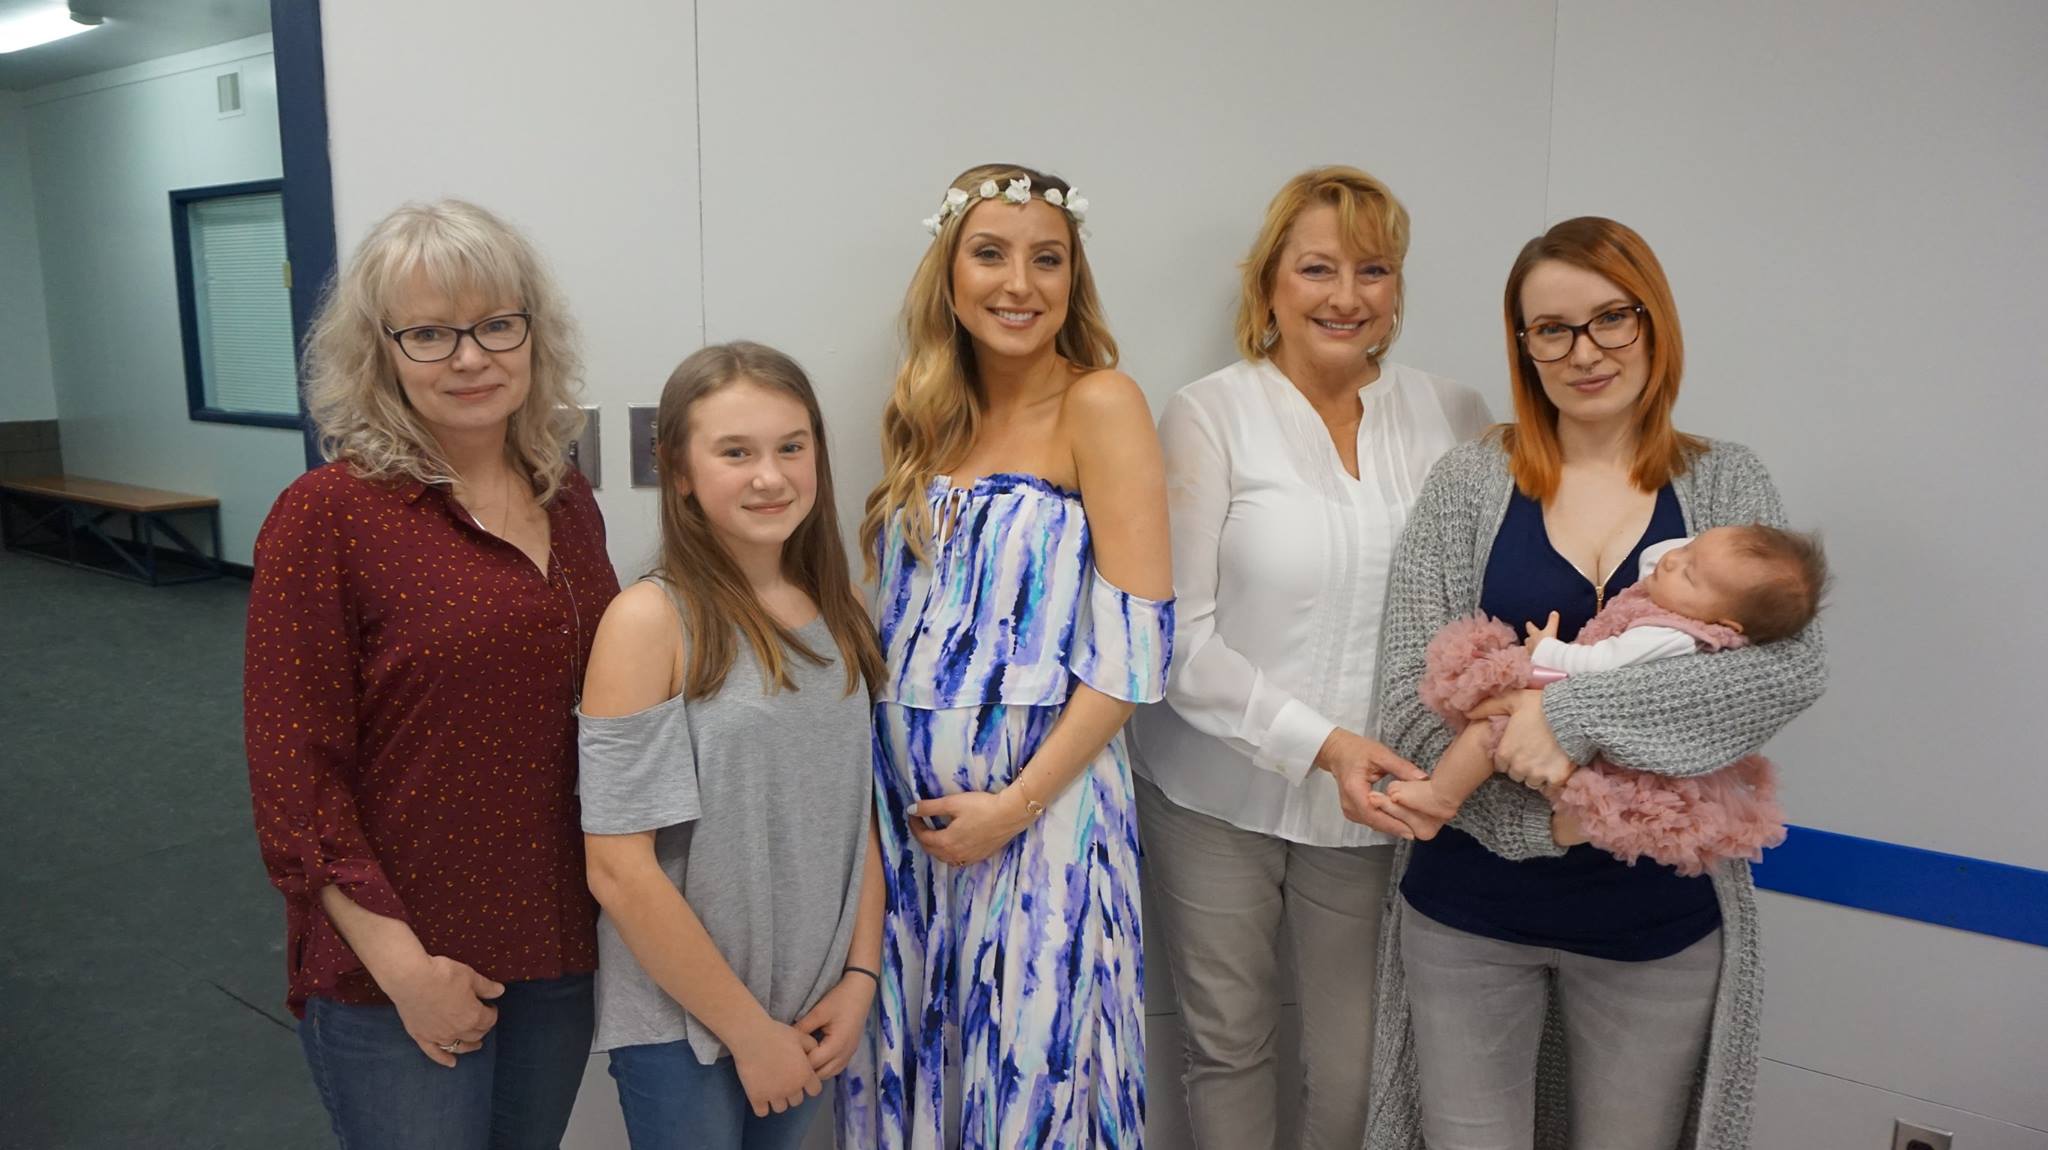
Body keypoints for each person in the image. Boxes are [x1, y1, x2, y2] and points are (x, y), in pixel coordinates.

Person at [1361, 216, 1828, 1150]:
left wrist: (1566, 716)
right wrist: (1548, 824)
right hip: (1469, 916)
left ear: (1655, 321)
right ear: (1524, 346)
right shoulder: (1468, 484)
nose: (1585, 352)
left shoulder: (1727, 483)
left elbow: (1783, 674)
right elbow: (1409, 704)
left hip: (1655, 927)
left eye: (1612, 318)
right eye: (1553, 329)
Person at [1125, 165, 1488, 1150]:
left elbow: (1475, 610)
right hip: (1209, 787)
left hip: (1373, 806)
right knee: (1227, 1042)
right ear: (1269, 284)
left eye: (1373, 270)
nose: (1346, 295)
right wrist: (1324, 746)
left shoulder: (1456, 415)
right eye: (1318, 268)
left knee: (1356, 1064)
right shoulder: (1207, 412)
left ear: (1398, 288)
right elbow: (1177, 638)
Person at [245, 199, 617, 1148]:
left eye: (496, 325)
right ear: (381, 353)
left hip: (556, 939)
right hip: (399, 958)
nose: (469, 357)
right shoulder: (328, 517)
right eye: (430, 334)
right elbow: (296, 776)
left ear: (533, 334)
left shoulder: (567, 499)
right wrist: (405, 968)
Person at [838, 164, 1174, 1150]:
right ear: (949, 274)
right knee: (915, 1065)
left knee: (1034, 1081)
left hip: (1043, 820)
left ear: (1074, 279)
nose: (1019, 283)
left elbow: (1133, 656)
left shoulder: (1100, 404)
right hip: (909, 830)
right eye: (990, 254)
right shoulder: (928, 416)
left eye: (1047, 260)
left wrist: (1014, 806)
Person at [578, 342, 885, 1150]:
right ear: (679, 471)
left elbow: (861, 815)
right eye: (736, 453)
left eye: (791, 447)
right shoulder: (649, 622)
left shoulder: (845, 610)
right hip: (685, 1024)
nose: (771, 477)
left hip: (814, 1005)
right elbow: (618, 867)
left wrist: (860, 974)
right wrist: (749, 1035)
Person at [1387, 524, 1828, 857]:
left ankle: (1440, 798)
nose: (1670, 561)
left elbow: (1600, 663)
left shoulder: (1668, 633)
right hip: (1584, 716)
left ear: (1725, 622)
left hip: (1583, 702)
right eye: (1686, 549)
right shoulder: (1687, 598)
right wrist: (1694, 556)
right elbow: (1658, 559)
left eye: (1690, 574)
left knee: (1488, 727)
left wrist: (1547, 652)